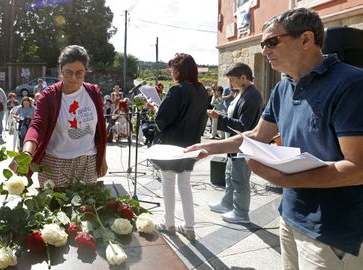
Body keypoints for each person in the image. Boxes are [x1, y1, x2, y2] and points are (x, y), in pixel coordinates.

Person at [187, 8, 363, 269]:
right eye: (261, 44)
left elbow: (358, 169)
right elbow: (258, 136)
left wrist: (282, 179)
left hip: (332, 231)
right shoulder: (283, 87)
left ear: (306, 39)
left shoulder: (351, 84)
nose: (265, 50)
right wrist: (211, 147)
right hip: (289, 216)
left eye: (272, 41)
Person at [11, 45, 108, 188]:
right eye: (68, 72)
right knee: (54, 207)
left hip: (88, 162)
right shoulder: (49, 96)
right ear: (61, 69)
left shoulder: (93, 92)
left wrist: (102, 159)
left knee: (86, 208)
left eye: (79, 73)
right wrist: (26, 153)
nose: (74, 78)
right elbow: (37, 125)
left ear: (86, 71)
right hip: (54, 163)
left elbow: (100, 129)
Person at [152, 53, 208, 241]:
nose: (171, 72)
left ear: (179, 69)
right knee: (185, 185)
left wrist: (155, 109)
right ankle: (189, 226)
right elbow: (202, 120)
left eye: (172, 68)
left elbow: (161, 121)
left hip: (171, 145)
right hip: (191, 143)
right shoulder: (201, 91)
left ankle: (169, 223)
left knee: (168, 182)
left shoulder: (177, 90)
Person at [207, 63, 263, 224]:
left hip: (244, 145)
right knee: (230, 175)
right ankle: (227, 203)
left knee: (240, 179)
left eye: (232, 80)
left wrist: (220, 118)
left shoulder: (252, 97)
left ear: (243, 78)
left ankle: (241, 212)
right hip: (236, 145)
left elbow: (244, 126)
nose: (230, 85)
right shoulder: (242, 93)